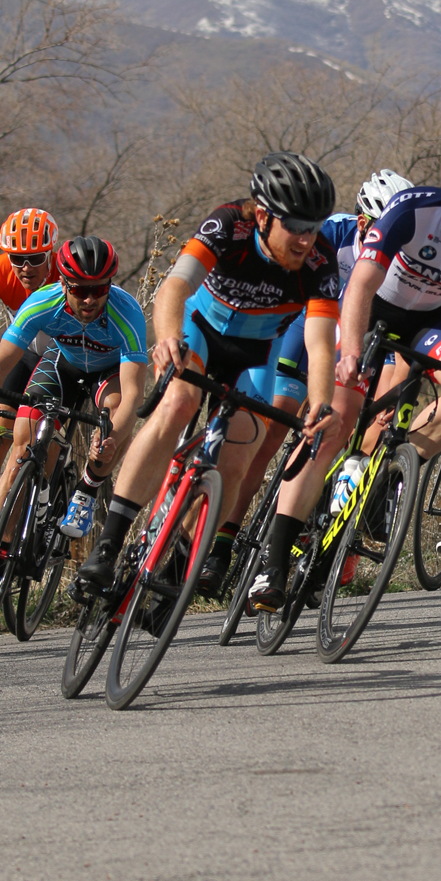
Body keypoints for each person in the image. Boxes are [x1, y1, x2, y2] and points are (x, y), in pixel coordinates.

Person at [249, 144, 441, 609]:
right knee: (332, 421)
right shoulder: (415, 210)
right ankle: (274, 562)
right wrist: (353, 351)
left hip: (432, 321)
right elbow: (361, 281)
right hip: (371, 311)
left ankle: (384, 475)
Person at [74, 153, 343, 596]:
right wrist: (167, 339)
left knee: (236, 463)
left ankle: (180, 562)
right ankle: (108, 546)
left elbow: (318, 342)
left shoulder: (320, 263)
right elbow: (175, 287)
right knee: (179, 404)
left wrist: (321, 404)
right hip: (200, 334)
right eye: (294, 226)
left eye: (313, 227)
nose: (304, 240)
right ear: (262, 216)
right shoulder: (228, 226)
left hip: (257, 357)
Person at [212, 170, 414, 590]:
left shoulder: (410, 264)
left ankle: (333, 535)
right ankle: (222, 543)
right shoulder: (334, 234)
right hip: (307, 328)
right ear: (362, 224)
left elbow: (402, 341)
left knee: (367, 427)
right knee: (273, 427)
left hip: (359, 346)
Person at [0, 240, 148, 600]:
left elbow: (133, 395)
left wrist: (110, 438)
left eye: (99, 289)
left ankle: (86, 489)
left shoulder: (126, 313)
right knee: (22, 449)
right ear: (63, 284)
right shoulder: (43, 302)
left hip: (107, 374)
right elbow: (1, 361)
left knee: (112, 416)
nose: (89, 299)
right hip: (61, 366)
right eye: (80, 290)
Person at [0, 207, 62, 483]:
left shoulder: (64, 273)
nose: (25, 269)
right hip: (26, 353)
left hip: (62, 357)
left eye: (35, 259)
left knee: (43, 440)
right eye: (17, 258)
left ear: (51, 253)